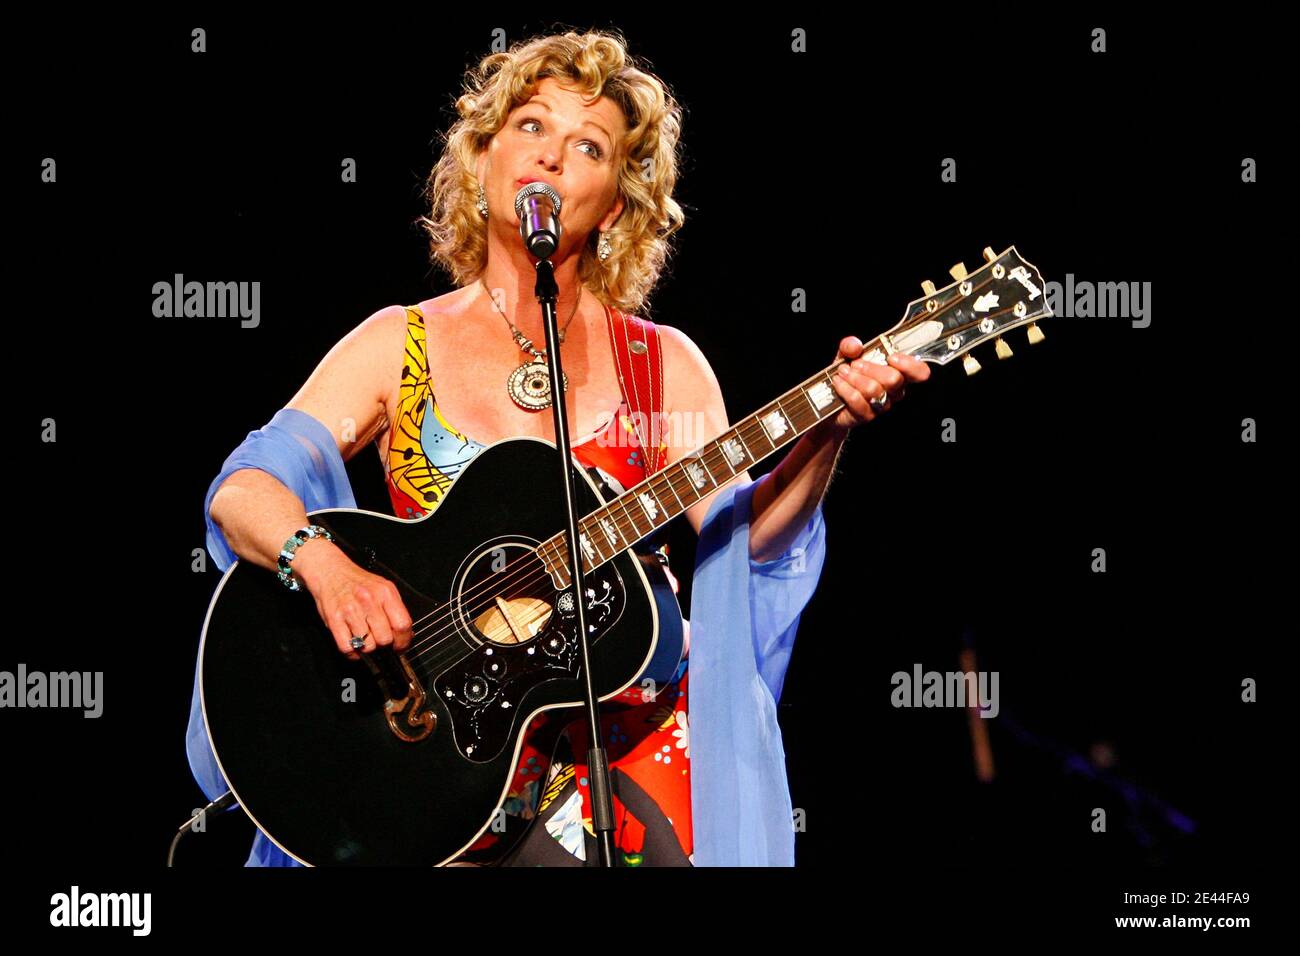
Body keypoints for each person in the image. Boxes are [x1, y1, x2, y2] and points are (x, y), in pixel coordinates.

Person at [188, 29, 930, 867]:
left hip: (630, 754)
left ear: (614, 203)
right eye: (531, 125)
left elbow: (746, 541)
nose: (550, 157)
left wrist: (828, 430)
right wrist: (321, 563)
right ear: (484, 155)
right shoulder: (399, 343)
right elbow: (244, 491)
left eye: (589, 146)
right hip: (439, 753)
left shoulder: (664, 363)